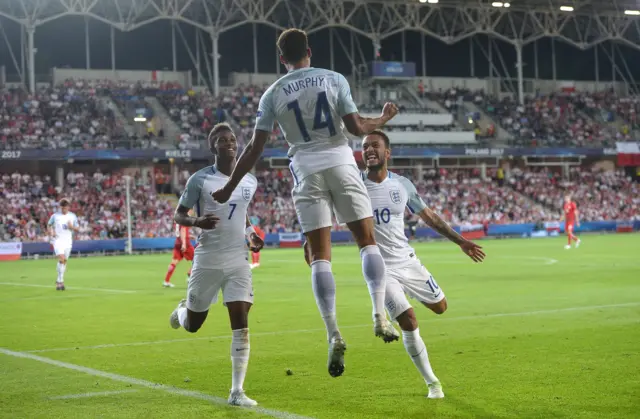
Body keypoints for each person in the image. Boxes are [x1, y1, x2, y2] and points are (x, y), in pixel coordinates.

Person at [212, 28, 399, 378]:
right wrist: (384, 119)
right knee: (367, 242)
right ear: (309, 52)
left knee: (319, 256)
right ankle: (379, 315)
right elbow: (357, 128)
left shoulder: (272, 94)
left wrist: (228, 186)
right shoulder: (334, 78)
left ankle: (333, 333)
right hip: (341, 162)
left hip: (306, 169)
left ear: (282, 59)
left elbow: (254, 148)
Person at [304, 130, 486, 398]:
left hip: (408, 261)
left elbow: (430, 216)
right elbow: (322, 214)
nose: (369, 150)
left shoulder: (402, 185)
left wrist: (461, 241)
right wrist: (309, 242)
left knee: (440, 307)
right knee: (409, 321)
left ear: (387, 153)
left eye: (375, 146)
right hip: (380, 269)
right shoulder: (353, 186)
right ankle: (432, 383)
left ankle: (401, 313)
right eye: (365, 147)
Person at [169, 123, 265, 407]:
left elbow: (243, 215)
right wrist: (197, 221)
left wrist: (251, 236)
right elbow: (179, 215)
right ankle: (181, 311)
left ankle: (237, 392)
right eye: (222, 140)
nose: (229, 142)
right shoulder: (200, 180)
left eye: (232, 138)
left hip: (238, 260)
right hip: (208, 259)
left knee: (241, 324)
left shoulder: (249, 181)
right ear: (213, 147)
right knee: (194, 325)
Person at [47, 198, 79, 291]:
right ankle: (60, 281)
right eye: (62, 208)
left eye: (65, 208)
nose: (63, 209)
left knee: (64, 261)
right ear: (60, 207)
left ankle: (59, 280)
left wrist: (71, 227)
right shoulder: (55, 216)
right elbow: (49, 225)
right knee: (61, 259)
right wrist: (51, 232)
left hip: (68, 242)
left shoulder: (72, 216)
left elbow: (77, 228)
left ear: (68, 207)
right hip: (57, 240)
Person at [164, 212, 195, 288]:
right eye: (191, 211)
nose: (192, 212)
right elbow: (183, 230)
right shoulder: (185, 219)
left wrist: (188, 236)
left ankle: (166, 281)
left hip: (177, 242)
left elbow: (179, 231)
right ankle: (189, 275)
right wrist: (184, 243)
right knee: (197, 259)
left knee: (173, 263)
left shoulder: (177, 220)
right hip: (185, 244)